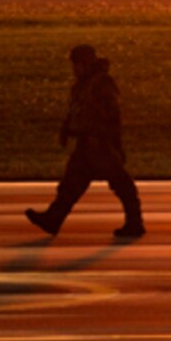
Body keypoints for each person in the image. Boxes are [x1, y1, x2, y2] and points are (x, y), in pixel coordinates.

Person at [27, 45, 144, 240]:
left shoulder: (101, 84)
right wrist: (67, 129)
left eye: (78, 64)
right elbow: (76, 110)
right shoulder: (82, 84)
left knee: (121, 184)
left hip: (100, 144)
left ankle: (135, 223)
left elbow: (113, 115)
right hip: (85, 144)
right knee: (70, 185)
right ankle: (53, 219)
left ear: (87, 62)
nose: (75, 69)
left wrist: (115, 143)